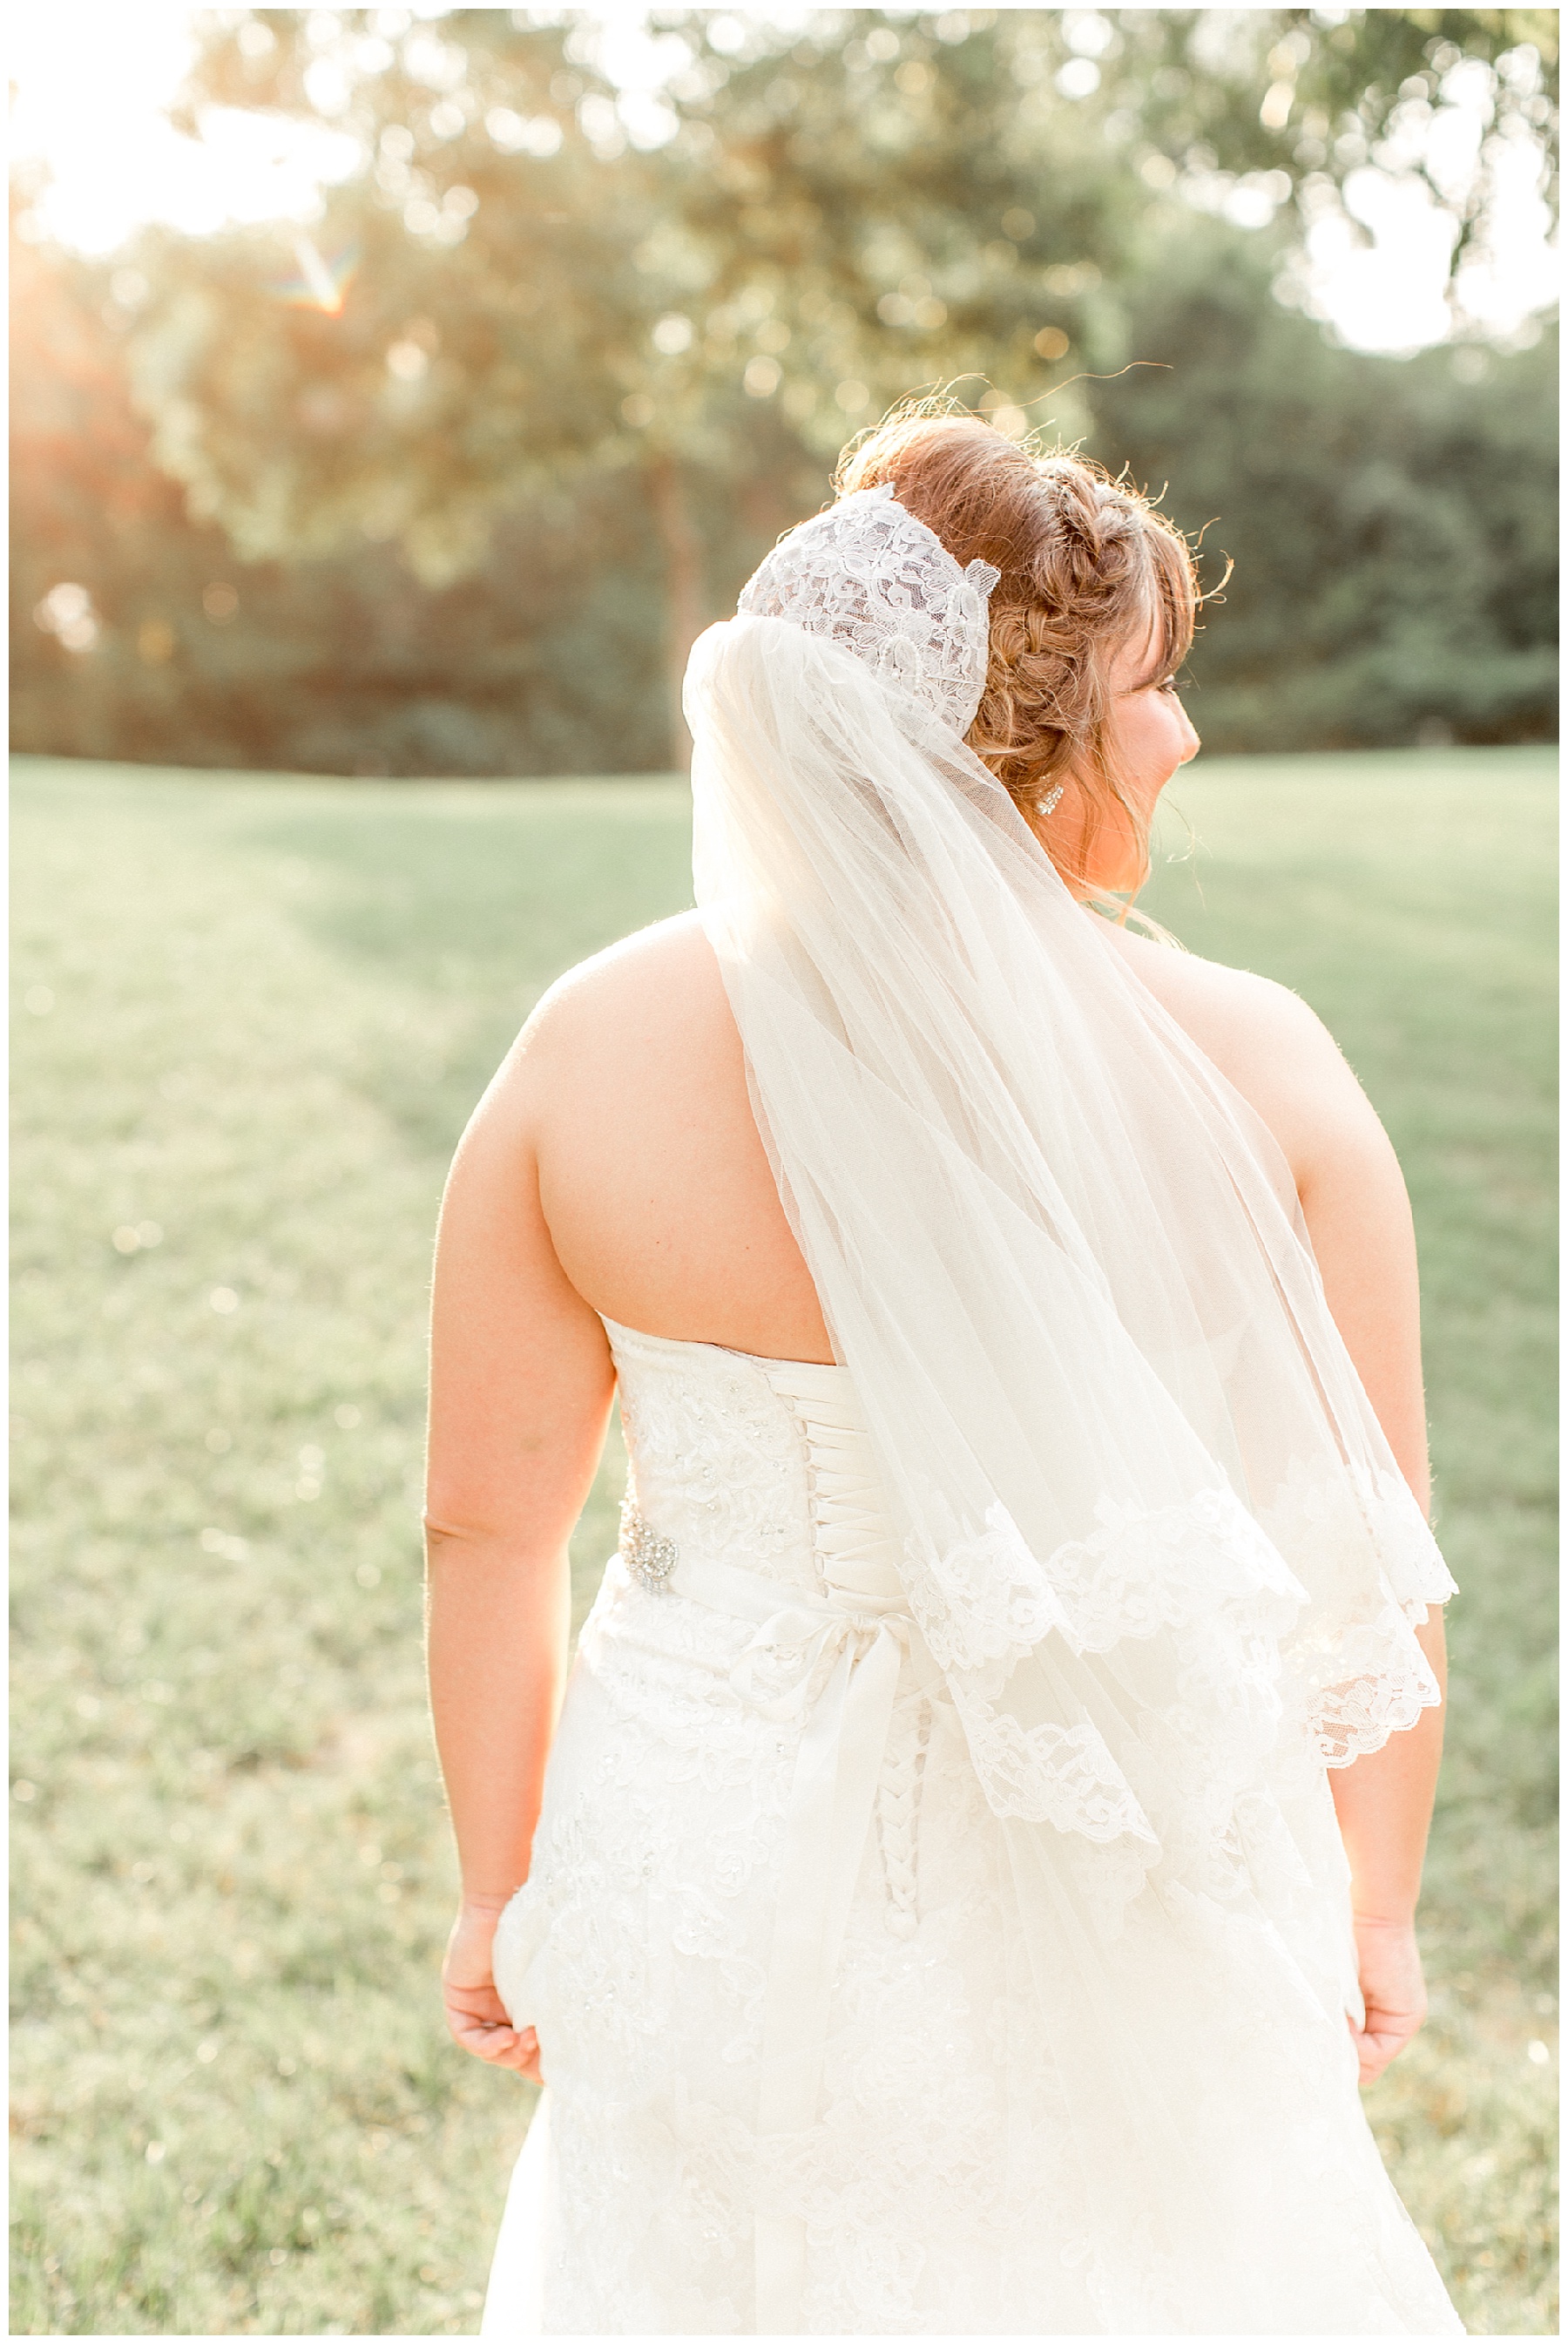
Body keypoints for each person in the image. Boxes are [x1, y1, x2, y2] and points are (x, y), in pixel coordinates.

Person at [425, 410, 1462, 2334]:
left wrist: (503, 1884)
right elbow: (1365, 1574)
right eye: (1158, 693)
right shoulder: (1264, 1070)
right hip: (1122, 1861)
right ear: (1037, 760)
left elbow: (485, 1525)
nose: (1185, 738)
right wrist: (1373, 1905)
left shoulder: (587, 1045)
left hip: (698, 1844)